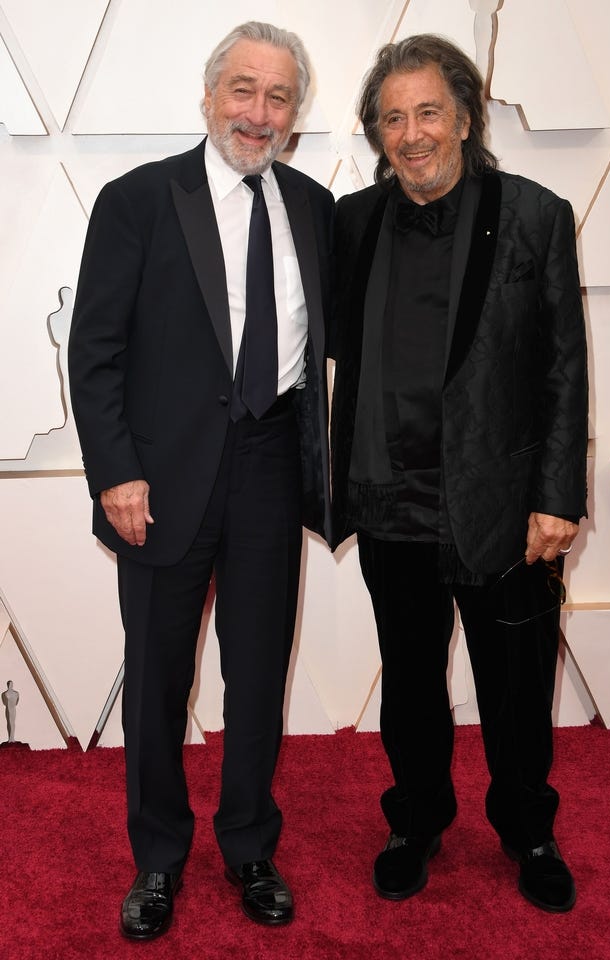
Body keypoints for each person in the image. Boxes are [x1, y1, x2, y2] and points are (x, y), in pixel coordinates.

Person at [69, 21, 333, 940]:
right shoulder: (138, 200)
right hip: (161, 479)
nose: (258, 113)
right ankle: (157, 857)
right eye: (243, 90)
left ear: (295, 114)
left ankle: (250, 846)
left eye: (278, 97)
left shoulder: (314, 208)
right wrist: (116, 473)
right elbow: (95, 351)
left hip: (271, 465)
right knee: (156, 679)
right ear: (210, 96)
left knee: (258, 674)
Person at [330, 34, 587, 913]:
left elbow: (563, 367)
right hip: (389, 496)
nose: (412, 134)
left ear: (467, 118)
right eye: (393, 118)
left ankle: (529, 830)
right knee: (408, 684)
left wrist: (557, 496)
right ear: (377, 133)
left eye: (429, 112)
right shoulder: (354, 222)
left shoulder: (535, 215)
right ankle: (415, 821)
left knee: (515, 687)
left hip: (501, 505)